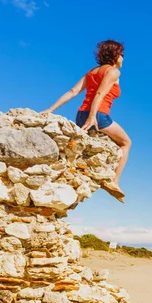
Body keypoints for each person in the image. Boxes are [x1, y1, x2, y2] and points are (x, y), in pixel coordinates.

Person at [40, 39, 131, 202]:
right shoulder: (114, 72)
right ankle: (114, 181)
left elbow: (72, 91)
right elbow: (100, 94)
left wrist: (50, 109)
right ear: (115, 55)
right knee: (126, 143)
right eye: (121, 54)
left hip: (81, 114)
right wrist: (92, 117)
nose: (123, 58)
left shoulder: (91, 72)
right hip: (98, 115)